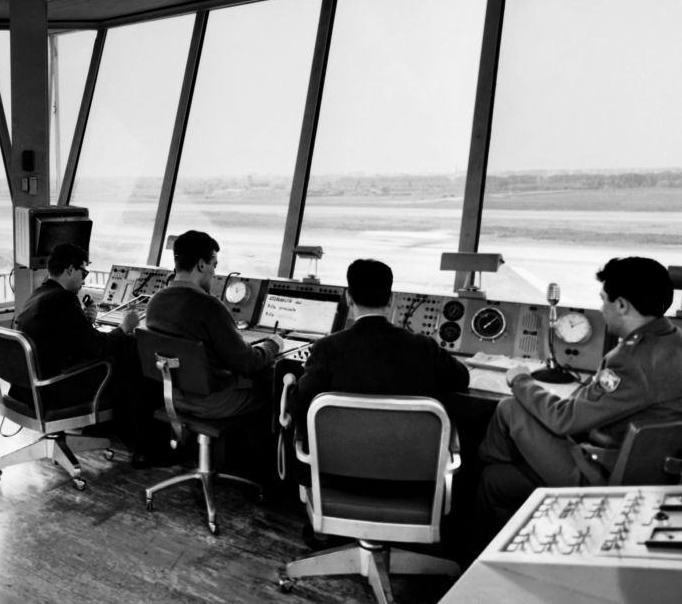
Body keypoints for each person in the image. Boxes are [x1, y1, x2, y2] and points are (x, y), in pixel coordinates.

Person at [475, 256, 682, 542]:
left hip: (606, 478)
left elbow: (565, 420)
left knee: (509, 409)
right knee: (495, 478)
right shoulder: (673, 341)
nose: (601, 309)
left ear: (621, 305)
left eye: (603, 300)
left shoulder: (631, 359)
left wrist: (521, 380)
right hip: (654, 476)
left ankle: (480, 473)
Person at [289, 258, 470, 441]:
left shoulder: (326, 348)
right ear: (391, 300)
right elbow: (462, 378)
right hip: (407, 461)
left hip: (341, 459)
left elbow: (299, 405)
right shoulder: (424, 346)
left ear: (348, 298)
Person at [144, 229, 284, 420]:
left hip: (173, 396)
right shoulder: (209, 307)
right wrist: (272, 344)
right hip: (213, 402)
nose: (214, 273)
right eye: (214, 265)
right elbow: (247, 363)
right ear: (201, 265)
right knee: (275, 393)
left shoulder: (154, 302)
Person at [14, 243, 142, 448]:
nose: (85, 278)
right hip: (54, 391)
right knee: (127, 356)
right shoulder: (63, 298)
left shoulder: (40, 294)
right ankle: (135, 440)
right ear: (70, 269)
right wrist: (124, 327)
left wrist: (86, 322)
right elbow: (98, 347)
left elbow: (63, 338)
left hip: (27, 389)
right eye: (84, 271)